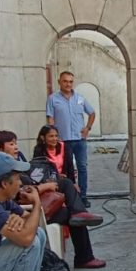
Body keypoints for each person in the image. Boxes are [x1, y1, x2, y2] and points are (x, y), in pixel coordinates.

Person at [29, 126, 106, 270]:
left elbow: (68, 169)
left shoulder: (17, 163)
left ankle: (84, 258)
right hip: (35, 209)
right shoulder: (5, 173)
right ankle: (78, 212)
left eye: (56, 136)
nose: (54, 139)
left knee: (76, 218)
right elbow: (31, 184)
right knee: (66, 185)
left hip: (52, 189)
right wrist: (49, 183)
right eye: (11, 144)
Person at [46, 71, 95, 205]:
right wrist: (52, 137)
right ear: (59, 82)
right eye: (65, 81)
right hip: (62, 141)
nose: (68, 84)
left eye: (70, 81)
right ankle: (70, 197)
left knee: (82, 167)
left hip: (79, 140)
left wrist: (87, 128)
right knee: (66, 170)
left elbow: (92, 113)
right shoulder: (53, 99)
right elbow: (50, 118)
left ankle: (83, 197)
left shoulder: (80, 98)